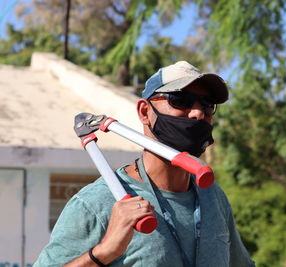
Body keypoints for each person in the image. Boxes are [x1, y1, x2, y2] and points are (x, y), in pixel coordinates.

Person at [34, 61, 255, 267]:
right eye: (180, 101)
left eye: (207, 105)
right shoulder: (97, 202)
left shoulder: (213, 198)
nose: (197, 113)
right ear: (144, 112)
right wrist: (104, 251)